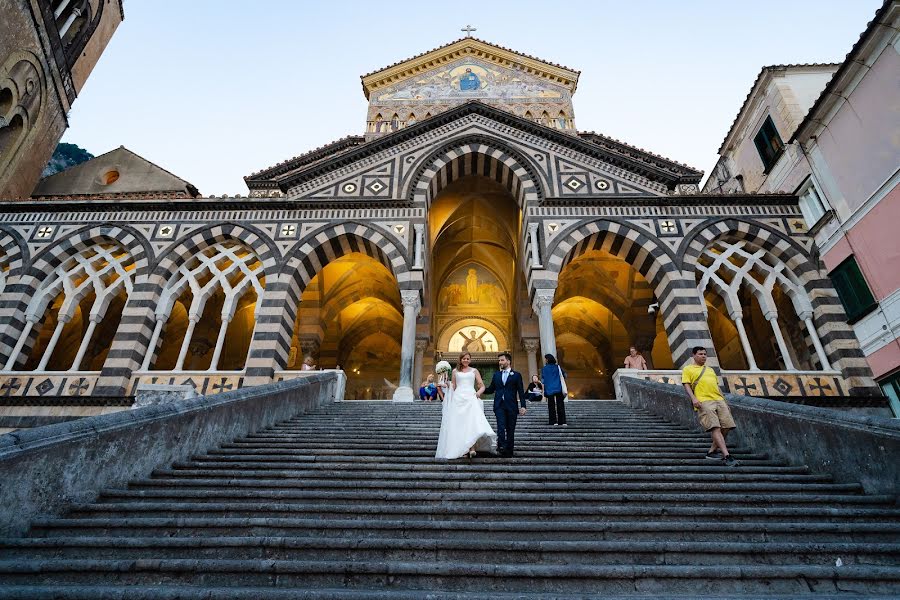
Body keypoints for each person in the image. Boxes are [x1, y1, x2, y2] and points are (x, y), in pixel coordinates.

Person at [682, 346, 738, 467]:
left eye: (705, 354)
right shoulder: (688, 369)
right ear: (694, 355)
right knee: (715, 427)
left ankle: (711, 451)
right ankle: (727, 455)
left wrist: (724, 401)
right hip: (703, 401)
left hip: (718, 399)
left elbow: (717, 386)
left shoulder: (710, 370)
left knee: (727, 426)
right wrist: (694, 399)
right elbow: (686, 385)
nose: (703, 356)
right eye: (701, 354)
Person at [435, 352, 497, 459]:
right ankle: (464, 449)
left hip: (471, 398)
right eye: (464, 358)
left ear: (470, 360)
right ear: (460, 359)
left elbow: (481, 385)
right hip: (458, 399)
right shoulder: (455, 371)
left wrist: (478, 393)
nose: (466, 360)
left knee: (471, 423)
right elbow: (453, 386)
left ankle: (472, 448)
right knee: (460, 425)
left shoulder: (474, 371)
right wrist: (444, 384)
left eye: (468, 359)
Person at [482, 352, 527, 457]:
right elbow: (491, 389)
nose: (500, 362)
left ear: (508, 361)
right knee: (500, 427)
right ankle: (501, 447)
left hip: (511, 406)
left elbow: (520, 391)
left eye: (502, 360)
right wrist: (480, 389)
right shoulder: (496, 375)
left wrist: (523, 406)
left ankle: (509, 451)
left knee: (511, 429)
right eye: (499, 360)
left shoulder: (516, 375)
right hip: (499, 405)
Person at [540, 354, 568, 426]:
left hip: (549, 389)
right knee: (560, 405)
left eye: (545, 359)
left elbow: (543, 380)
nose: (545, 360)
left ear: (547, 360)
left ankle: (553, 421)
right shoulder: (557, 367)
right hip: (558, 388)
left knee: (551, 406)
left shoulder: (544, 369)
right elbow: (565, 375)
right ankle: (562, 421)